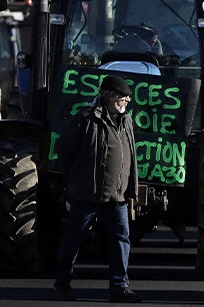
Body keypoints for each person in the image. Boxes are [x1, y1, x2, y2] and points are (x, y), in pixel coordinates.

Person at [53, 75, 141, 302]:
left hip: (117, 196)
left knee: (121, 239)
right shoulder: (86, 119)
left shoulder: (127, 121)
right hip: (87, 194)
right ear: (110, 96)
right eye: (123, 97)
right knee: (73, 239)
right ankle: (62, 285)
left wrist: (130, 189)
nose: (127, 101)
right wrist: (76, 178)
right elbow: (63, 150)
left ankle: (119, 287)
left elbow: (130, 154)